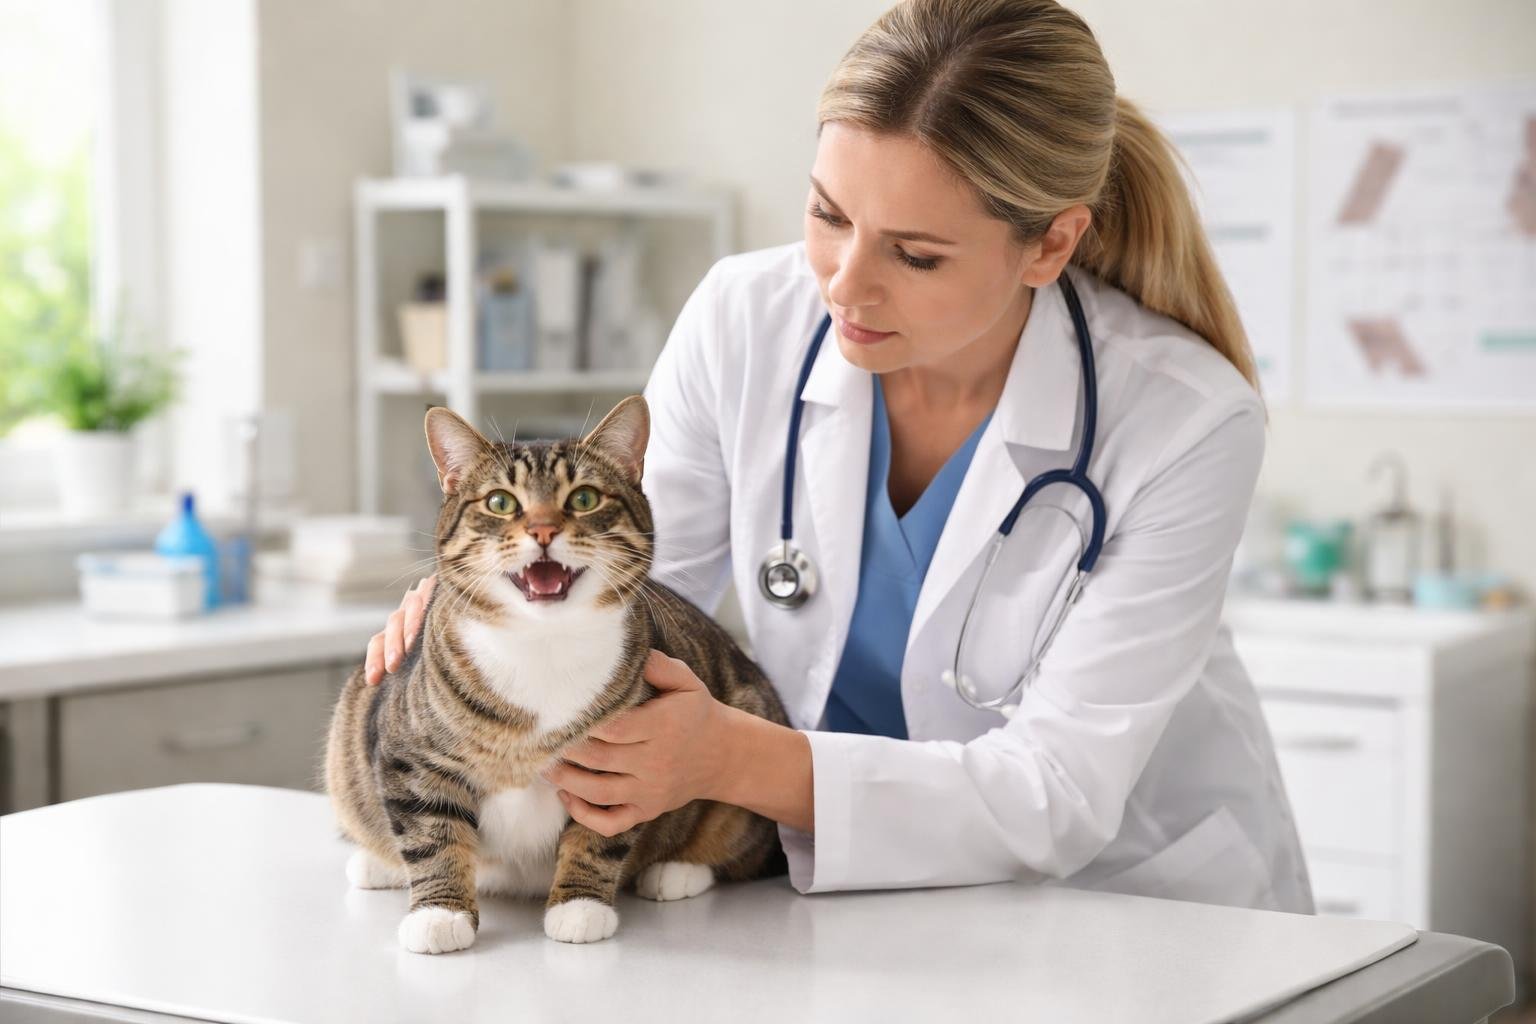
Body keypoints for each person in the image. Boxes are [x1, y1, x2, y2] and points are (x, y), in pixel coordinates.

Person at [364, 0, 1313, 913]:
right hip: (831, 897)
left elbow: (1055, 792)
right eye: (827, 215)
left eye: (917, 254)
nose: (845, 284)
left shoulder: (1183, 418)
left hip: (1131, 910)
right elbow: (645, 611)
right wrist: (484, 626)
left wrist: (729, 758)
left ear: (1051, 243)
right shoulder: (745, 318)